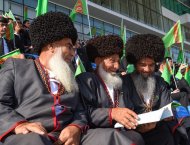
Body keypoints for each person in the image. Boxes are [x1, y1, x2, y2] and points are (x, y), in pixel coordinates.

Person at [0, 12, 88, 145]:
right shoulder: (16, 67)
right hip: (28, 136)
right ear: (51, 46)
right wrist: (18, 125)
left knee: (107, 136)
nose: (73, 53)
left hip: (66, 137)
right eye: (69, 46)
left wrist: (76, 127)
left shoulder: (70, 76)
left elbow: (80, 110)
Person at [76, 35, 144, 145]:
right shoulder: (87, 79)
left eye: (118, 61)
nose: (117, 66)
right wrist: (111, 114)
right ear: (98, 61)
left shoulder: (120, 82)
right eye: (112, 61)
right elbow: (84, 112)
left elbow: (130, 107)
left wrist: (139, 120)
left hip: (123, 131)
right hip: (96, 134)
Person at [122, 34, 178, 145]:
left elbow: (167, 106)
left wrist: (167, 116)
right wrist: (139, 127)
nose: (147, 69)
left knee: (169, 134)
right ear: (135, 63)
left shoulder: (160, 82)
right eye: (143, 64)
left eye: (151, 65)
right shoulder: (124, 82)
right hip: (132, 129)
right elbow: (124, 111)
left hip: (158, 126)